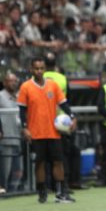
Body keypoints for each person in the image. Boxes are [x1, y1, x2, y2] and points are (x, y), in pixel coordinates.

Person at [18, 57, 77, 203]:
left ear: (45, 69)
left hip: (53, 131)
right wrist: (24, 128)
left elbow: (64, 104)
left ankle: (61, 192)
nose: (39, 71)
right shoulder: (26, 87)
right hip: (36, 132)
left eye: (41, 68)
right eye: (36, 68)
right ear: (31, 69)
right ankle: (42, 191)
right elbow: (21, 110)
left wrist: (73, 117)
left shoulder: (53, 85)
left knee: (58, 161)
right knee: (40, 163)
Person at [43, 53, 84, 190]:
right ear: (55, 65)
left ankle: (47, 185)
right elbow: (66, 100)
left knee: (45, 155)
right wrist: (71, 116)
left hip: (43, 121)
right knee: (62, 153)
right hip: (60, 121)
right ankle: (63, 184)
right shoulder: (62, 78)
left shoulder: (37, 78)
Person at [0, 72, 24, 191]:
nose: (13, 83)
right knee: (5, 169)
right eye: (10, 80)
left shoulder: (20, 95)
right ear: (4, 82)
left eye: (15, 81)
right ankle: (4, 189)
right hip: (6, 138)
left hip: (18, 137)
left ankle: (14, 190)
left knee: (18, 169)